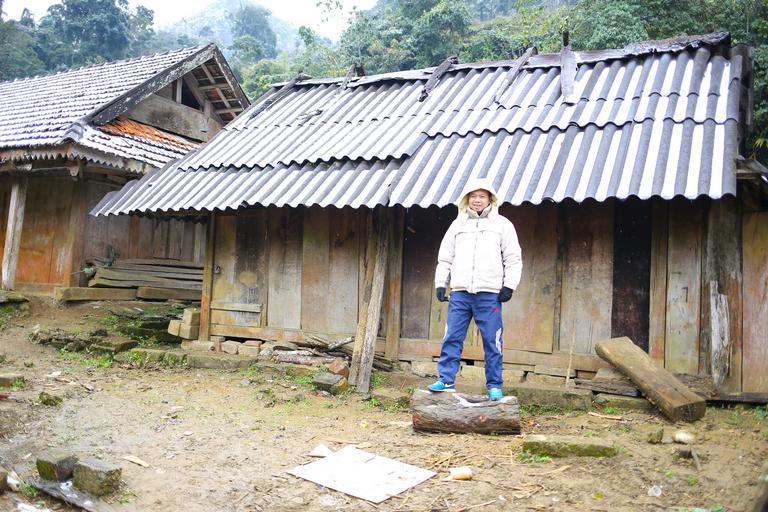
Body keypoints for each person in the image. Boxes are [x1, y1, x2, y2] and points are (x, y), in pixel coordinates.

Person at [428, 178, 523, 401]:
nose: (477, 200)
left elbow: (513, 258)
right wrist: (441, 284)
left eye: (482, 196)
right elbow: (445, 258)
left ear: (490, 199)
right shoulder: (458, 225)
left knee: (492, 341)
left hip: (489, 294)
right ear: (466, 199)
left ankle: (494, 386)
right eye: (473, 196)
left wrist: (509, 286)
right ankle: (446, 380)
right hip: (460, 293)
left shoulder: (502, 225)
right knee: (452, 337)